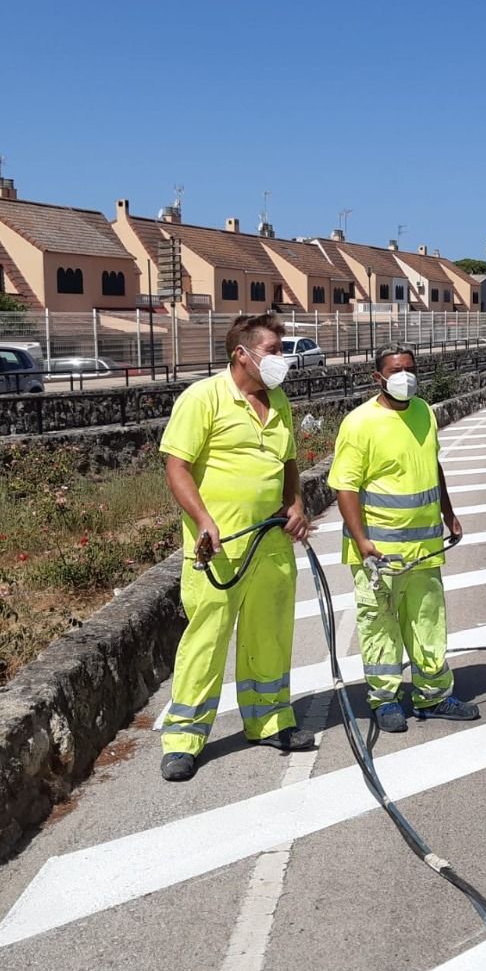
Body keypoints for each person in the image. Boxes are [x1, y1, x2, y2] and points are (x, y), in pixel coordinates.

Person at [155, 313, 314, 782]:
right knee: (206, 640)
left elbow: (288, 462)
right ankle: (184, 739)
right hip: (219, 549)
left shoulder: (279, 400)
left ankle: (268, 720)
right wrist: (204, 520)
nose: (282, 359)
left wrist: (297, 504)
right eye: (275, 350)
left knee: (270, 635)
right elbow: (177, 468)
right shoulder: (203, 398)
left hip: (272, 544)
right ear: (242, 354)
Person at [329, 347, 479, 734]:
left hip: (425, 547)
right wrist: (361, 541)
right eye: (396, 371)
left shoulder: (424, 412)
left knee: (429, 621)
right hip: (378, 550)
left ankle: (432, 694)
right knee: (379, 625)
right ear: (378, 378)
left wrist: (450, 513)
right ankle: (385, 699)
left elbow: (433, 466)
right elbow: (344, 486)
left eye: (411, 370)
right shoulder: (359, 423)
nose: (406, 377)